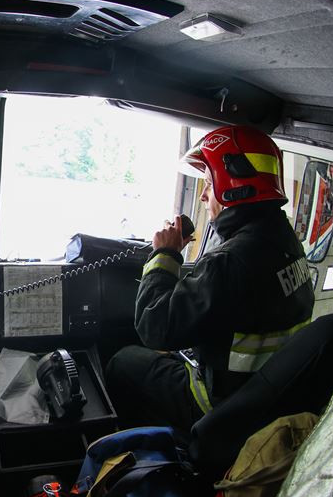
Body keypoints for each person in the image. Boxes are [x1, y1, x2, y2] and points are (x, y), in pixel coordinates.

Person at [105, 125, 315, 434]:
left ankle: (162, 448)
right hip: (266, 399)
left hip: (220, 406)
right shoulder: (286, 242)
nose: (203, 196)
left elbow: (153, 327)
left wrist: (165, 254)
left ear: (233, 185)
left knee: (122, 362)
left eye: (207, 183)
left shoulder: (230, 261)